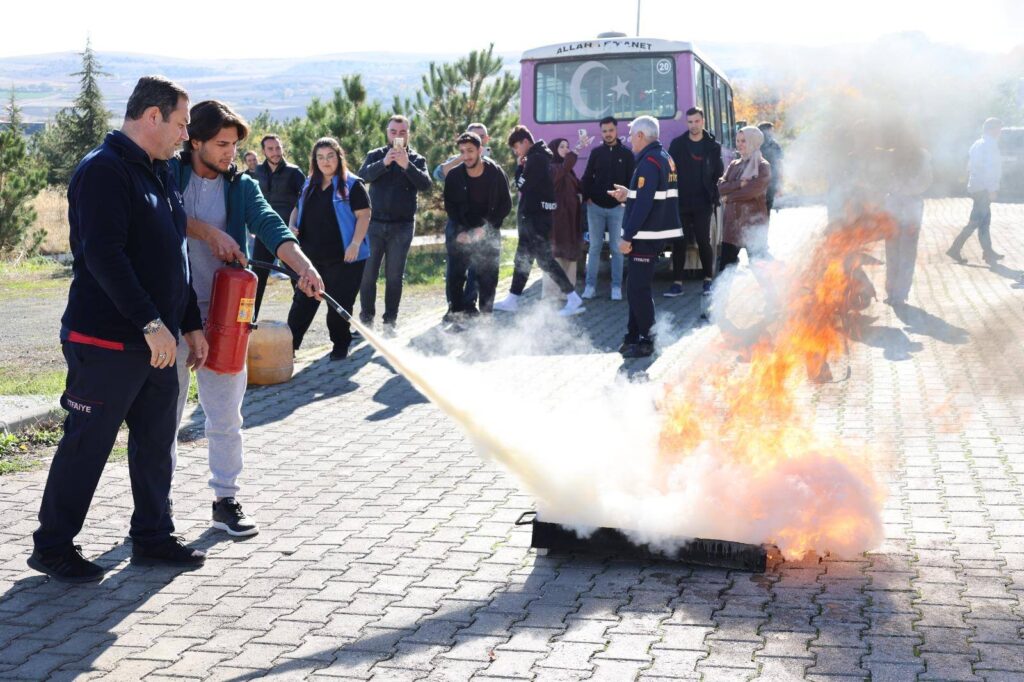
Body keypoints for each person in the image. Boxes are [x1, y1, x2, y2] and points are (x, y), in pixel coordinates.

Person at [28, 76, 209, 582]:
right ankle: (53, 546)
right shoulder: (103, 171)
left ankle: (152, 535)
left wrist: (188, 323)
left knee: (155, 442)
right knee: (88, 442)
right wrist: (150, 322)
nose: (185, 135)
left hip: (160, 340)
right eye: (180, 123)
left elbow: (176, 257)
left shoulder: (162, 172)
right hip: (107, 341)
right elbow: (103, 257)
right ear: (152, 117)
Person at [170, 100, 323, 538]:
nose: (229, 154)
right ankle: (156, 509)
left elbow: (271, 226)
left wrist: (303, 267)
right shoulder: (168, 174)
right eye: (220, 145)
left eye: (234, 146)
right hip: (173, 314)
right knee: (165, 416)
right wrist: (210, 232)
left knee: (225, 413)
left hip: (223, 315)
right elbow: (162, 216)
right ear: (193, 141)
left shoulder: (240, 184)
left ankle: (225, 499)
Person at [288, 137, 371, 359]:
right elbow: (296, 209)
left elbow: (364, 215)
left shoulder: (352, 184)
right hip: (310, 258)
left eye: (330, 156)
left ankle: (340, 345)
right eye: (320, 157)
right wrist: (291, 225)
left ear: (338, 157)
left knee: (339, 305)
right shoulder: (309, 183)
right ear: (315, 160)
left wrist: (355, 243)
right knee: (302, 304)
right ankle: (288, 348)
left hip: (344, 258)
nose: (326, 161)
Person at [608, 116, 683, 358]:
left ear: (641, 135)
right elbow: (646, 195)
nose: (628, 140)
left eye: (631, 135)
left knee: (638, 288)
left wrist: (627, 236)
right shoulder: (663, 157)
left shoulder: (649, 162)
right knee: (635, 286)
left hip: (646, 233)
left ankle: (647, 340)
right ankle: (633, 335)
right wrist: (629, 194)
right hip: (654, 231)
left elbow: (644, 204)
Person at [494, 125, 585, 317]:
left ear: (525, 142)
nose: (516, 152)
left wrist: (519, 168)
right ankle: (513, 298)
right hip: (535, 216)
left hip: (534, 217)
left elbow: (521, 185)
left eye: (516, 147)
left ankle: (573, 298)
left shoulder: (535, 159)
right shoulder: (540, 157)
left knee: (544, 261)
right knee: (523, 259)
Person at [358, 115, 432, 335]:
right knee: (368, 274)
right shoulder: (376, 155)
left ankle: (390, 322)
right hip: (374, 225)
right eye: (393, 132)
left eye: (402, 132)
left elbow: (425, 184)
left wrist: (406, 165)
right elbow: (361, 177)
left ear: (408, 134)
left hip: (402, 226)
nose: (398, 136)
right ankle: (366, 320)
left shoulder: (417, 159)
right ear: (387, 133)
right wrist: (384, 163)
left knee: (394, 276)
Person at [443, 131, 513, 324]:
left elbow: (505, 205)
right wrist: (462, 232)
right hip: (461, 230)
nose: (466, 156)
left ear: (480, 150)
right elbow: (450, 207)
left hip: (488, 229)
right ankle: (456, 315)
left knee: (488, 277)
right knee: (456, 276)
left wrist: (485, 228)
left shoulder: (496, 173)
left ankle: (486, 320)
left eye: (470, 151)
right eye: (462, 151)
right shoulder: (454, 176)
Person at [665, 107, 723, 299]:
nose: (693, 125)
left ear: (703, 121)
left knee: (703, 241)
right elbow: (670, 171)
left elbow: (718, 173)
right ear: (687, 123)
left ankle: (708, 280)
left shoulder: (712, 146)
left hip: (703, 202)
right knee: (679, 242)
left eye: (696, 121)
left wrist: (712, 194)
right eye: (690, 122)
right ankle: (677, 283)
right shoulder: (678, 145)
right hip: (681, 201)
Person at [436, 123, 491, 315]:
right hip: (457, 224)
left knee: (477, 266)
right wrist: (462, 157)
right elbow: (438, 174)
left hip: (480, 225)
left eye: (481, 136)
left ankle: (469, 305)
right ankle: (454, 306)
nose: (477, 139)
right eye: (472, 136)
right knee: (455, 269)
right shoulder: (458, 159)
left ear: (486, 140)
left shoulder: (491, 163)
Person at [580, 116, 634, 300]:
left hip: (617, 208)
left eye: (610, 130)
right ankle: (590, 286)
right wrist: (586, 197)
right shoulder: (596, 153)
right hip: (595, 207)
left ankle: (616, 287)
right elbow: (587, 177)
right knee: (594, 247)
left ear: (616, 130)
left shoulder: (627, 154)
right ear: (601, 132)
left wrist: (626, 201)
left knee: (616, 248)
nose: (608, 134)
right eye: (604, 131)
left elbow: (631, 181)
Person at [254, 134, 306, 312]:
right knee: (257, 275)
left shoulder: (294, 172)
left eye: (278, 148)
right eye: (270, 149)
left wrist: (297, 225)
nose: (275, 152)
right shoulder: (258, 171)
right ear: (264, 151)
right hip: (264, 230)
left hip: (287, 233)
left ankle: (298, 319)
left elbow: (305, 201)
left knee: (296, 276)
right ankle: (249, 321)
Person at [883, 133, 933, 306]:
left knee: (902, 251)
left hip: (907, 208)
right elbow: (882, 179)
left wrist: (904, 188)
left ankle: (898, 293)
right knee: (896, 251)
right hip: (898, 207)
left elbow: (926, 181)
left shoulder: (921, 156)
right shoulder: (891, 156)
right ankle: (894, 293)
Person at [947, 117, 1003, 263]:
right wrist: (992, 189)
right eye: (999, 128)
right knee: (976, 222)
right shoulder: (988, 145)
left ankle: (988, 251)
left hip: (977, 187)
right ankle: (955, 249)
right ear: (992, 129)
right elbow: (989, 170)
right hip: (983, 189)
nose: (1000, 132)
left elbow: (970, 166)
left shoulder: (978, 144)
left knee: (984, 221)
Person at [718, 126, 772, 271]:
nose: (739, 144)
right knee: (725, 272)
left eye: (744, 141)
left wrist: (729, 197)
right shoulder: (734, 164)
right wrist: (738, 184)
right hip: (731, 227)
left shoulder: (762, 166)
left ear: (754, 142)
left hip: (753, 225)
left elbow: (751, 192)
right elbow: (721, 186)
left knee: (760, 271)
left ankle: (771, 295)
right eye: (738, 141)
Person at [542, 137, 584, 300]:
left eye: (568, 146)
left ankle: (568, 295)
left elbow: (577, 185)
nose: (566, 149)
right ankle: (551, 295)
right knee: (556, 255)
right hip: (557, 220)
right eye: (562, 147)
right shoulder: (552, 168)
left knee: (569, 255)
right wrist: (576, 150)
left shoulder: (567, 170)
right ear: (553, 150)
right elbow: (564, 167)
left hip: (570, 220)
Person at [757, 122, 783, 213]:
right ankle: (764, 226)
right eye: (770, 130)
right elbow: (779, 164)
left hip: (757, 180)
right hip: (770, 180)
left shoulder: (754, 143)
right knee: (767, 205)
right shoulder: (774, 145)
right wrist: (779, 183)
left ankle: (759, 226)